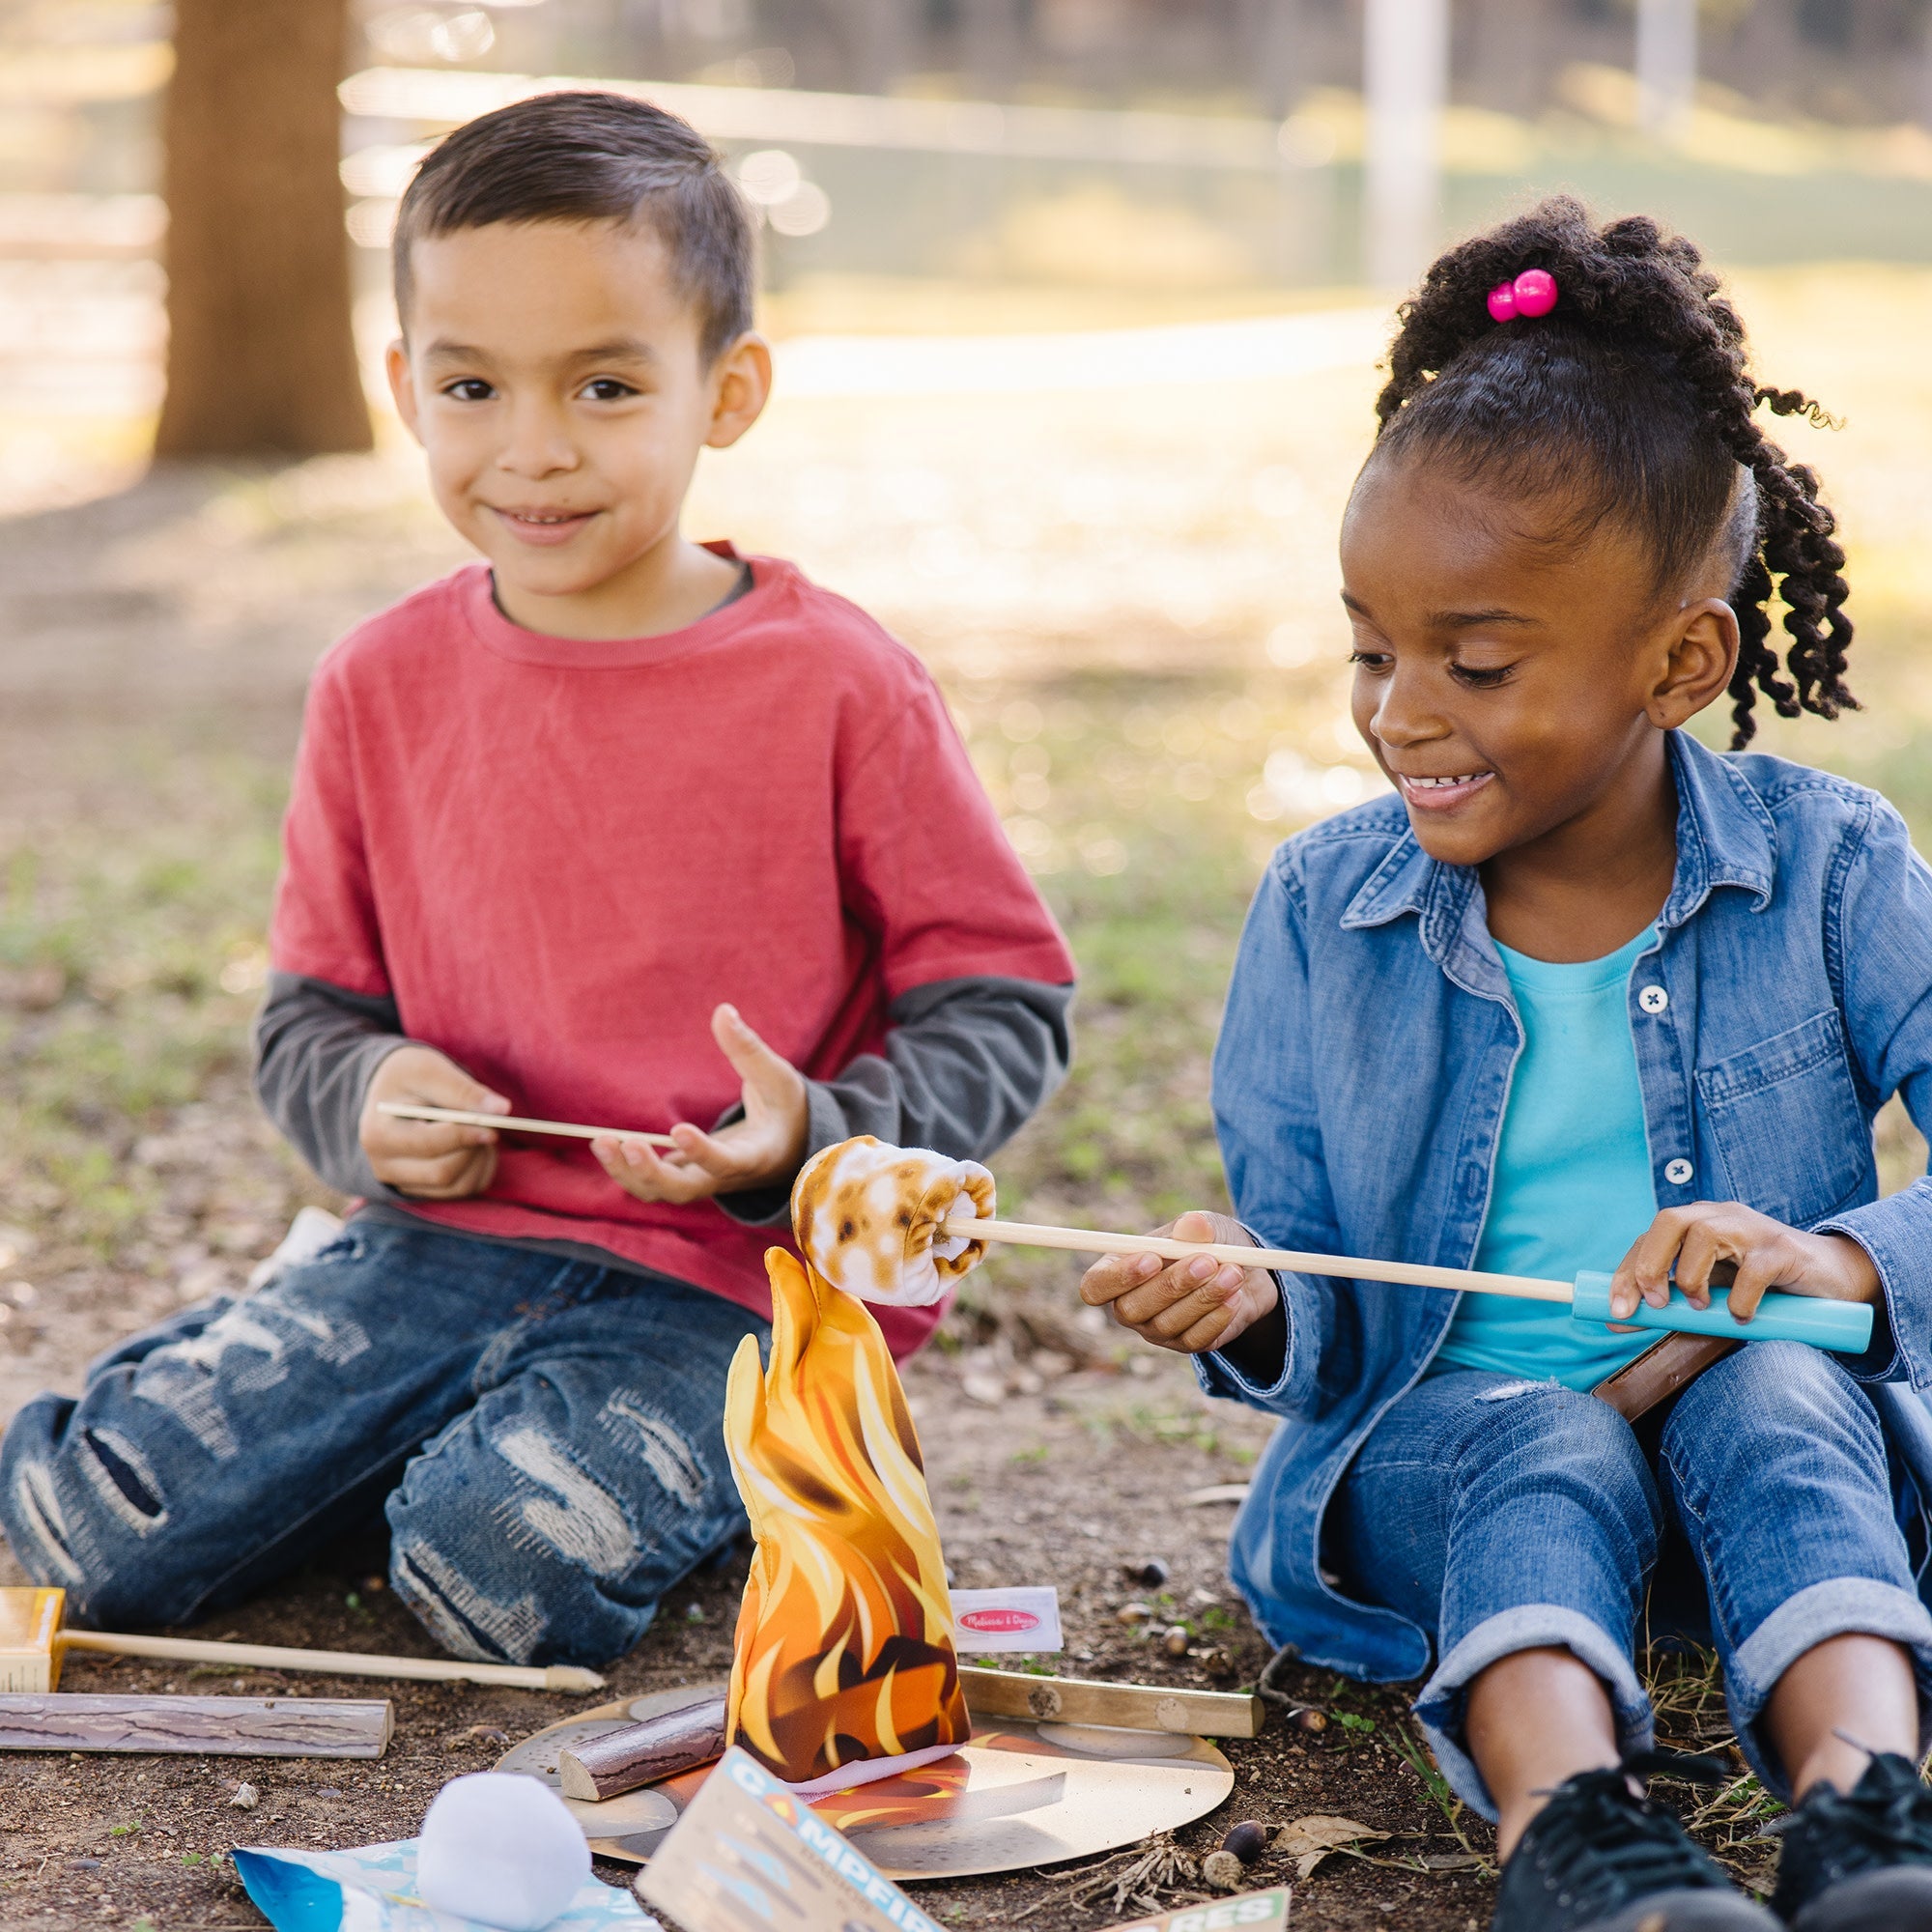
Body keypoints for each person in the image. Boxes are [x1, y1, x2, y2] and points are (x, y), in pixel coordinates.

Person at [0, 93, 1074, 1669]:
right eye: (472, 386)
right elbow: (312, 1015)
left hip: (732, 1288)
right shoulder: (376, 684)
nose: (534, 447)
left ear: (731, 389)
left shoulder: (840, 685)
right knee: (76, 1531)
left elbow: (1002, 1000)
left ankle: (677, 1457)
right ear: (405, 390)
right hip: (432, 1253)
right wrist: (363, 1092)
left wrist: (810, 1136)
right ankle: (375, 1436)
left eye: (607, 384)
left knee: (501, 1569)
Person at [1080, 200, 1932, 1932]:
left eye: (1474, 663)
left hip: (1766, 1461)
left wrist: (1831, 1261)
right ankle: (1577, 1841)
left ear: (1681, 660)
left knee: (1770, 1387)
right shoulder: (1327, 908)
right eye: (1371, 651)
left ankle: (1869, 1814)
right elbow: (1311, 1283)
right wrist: (1247, 1299)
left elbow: (1839, 1300)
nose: (1400, 709)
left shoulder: (1835, 869)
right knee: (1534, 1438)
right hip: (1444, 1465)